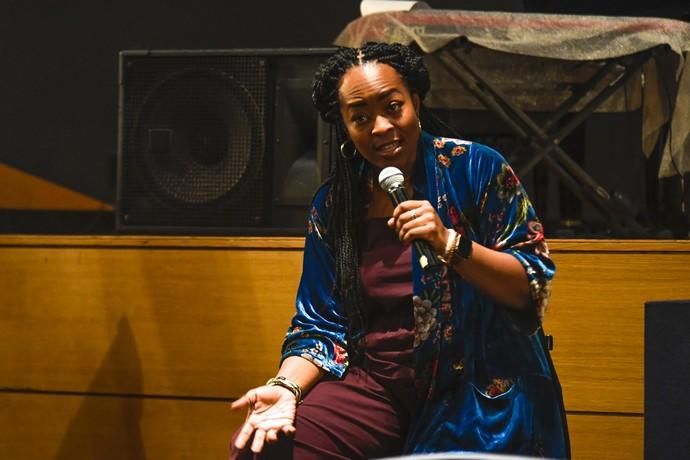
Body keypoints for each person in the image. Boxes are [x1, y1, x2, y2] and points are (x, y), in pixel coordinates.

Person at [230, 42, 569, 459]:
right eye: (360, 117)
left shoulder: (476, 168)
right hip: (379, 389)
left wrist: (450, 244)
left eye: (392, 107)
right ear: (345, 127)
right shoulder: (334, 205)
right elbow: (318, 326)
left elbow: (531, 287)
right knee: (264, 446)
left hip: (474, 390)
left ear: (416, 101)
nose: (380, 127)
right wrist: (284, 389)